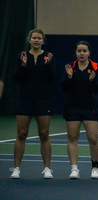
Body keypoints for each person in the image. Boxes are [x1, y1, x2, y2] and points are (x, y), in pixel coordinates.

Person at [10, 28, 55, 179]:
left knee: (44, 134)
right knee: (21, 134)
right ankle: (16, 169)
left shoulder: (48, 57)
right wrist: (23, 66)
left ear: (43, 41)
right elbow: (17, 79)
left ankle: (47, 169)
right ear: (29, 40)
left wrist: (48, 65)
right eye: (34, 38)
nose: (36, 40)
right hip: (25, 99)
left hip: (43, 99)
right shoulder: (21, 56)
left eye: (39, 38)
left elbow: (51, 79)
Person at [61, 41, 98, 179]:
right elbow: (64, 88)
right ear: (76, 52)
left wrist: (93, 81)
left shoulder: (96, 67)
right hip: (73, 107)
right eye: (79, 51)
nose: (82, 53)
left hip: (90, 108)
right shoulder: (70, 67)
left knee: (93, 138)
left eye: (84, 51)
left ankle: (95, 167)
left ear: (89, 52)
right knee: (72, 138)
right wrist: (69, 77)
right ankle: (74, 169)